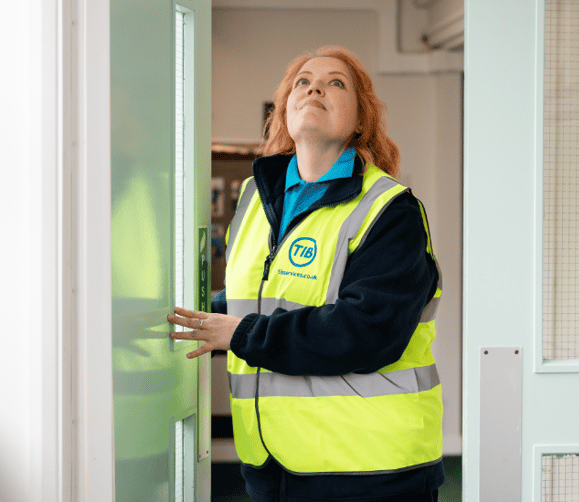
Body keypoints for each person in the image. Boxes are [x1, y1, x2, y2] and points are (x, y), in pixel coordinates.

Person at [169, 45, 443, 502]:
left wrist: (238, 333)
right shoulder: (257, 199)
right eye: (302, 81)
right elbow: (258, 299)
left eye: (336, 82)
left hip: (370, 470)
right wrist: (194, 316)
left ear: (361, 121)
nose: (314, 86)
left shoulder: (390, 210)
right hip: (273, 468)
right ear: (284, 110)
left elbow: (366, 331)